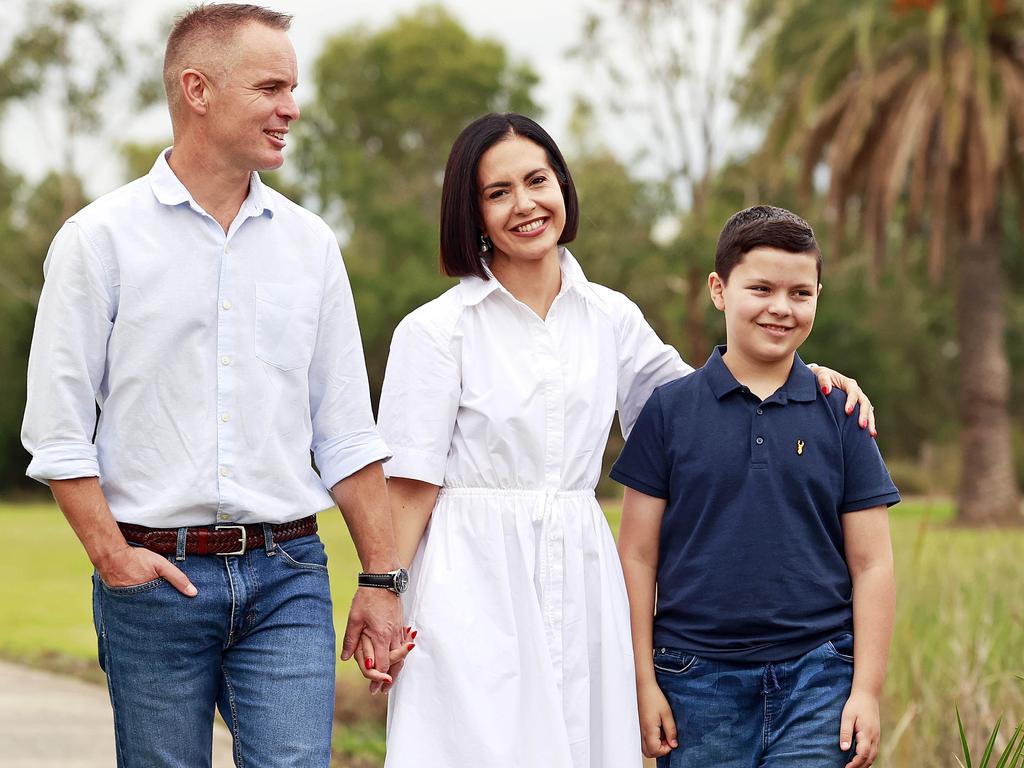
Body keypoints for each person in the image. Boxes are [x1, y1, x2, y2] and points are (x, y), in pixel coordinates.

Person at [375, 114, 876, 768]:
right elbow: (409, 488)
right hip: (471, 582)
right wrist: (381, 591)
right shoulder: (436, 330)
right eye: (498, 192)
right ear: (468, 212)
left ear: (563, 187)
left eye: (537, 180)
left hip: (583, 574)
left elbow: (704, 404)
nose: (525, 204)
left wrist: (811, 376)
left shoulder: (610, 317)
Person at [21, 5, 409, 766]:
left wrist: (382, 580)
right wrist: (115, 559)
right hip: (154, 582)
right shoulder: (98, 241)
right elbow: (57, 433)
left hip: (289, 573)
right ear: (197, 90)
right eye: (270, 87)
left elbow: (346, 432)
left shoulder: (310, 245)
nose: (291, 108)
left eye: (292, 88)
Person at [612, 205, 899, 768]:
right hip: (694, 680)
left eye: (800, 293)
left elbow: (873, 564)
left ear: (818, 297)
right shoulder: (670, 412)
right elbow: (638, 555)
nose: (780, 308)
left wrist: (865, 690)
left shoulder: (840, 412)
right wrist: (642, 682)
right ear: (719, 290)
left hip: (819, 677)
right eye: (761, 288)